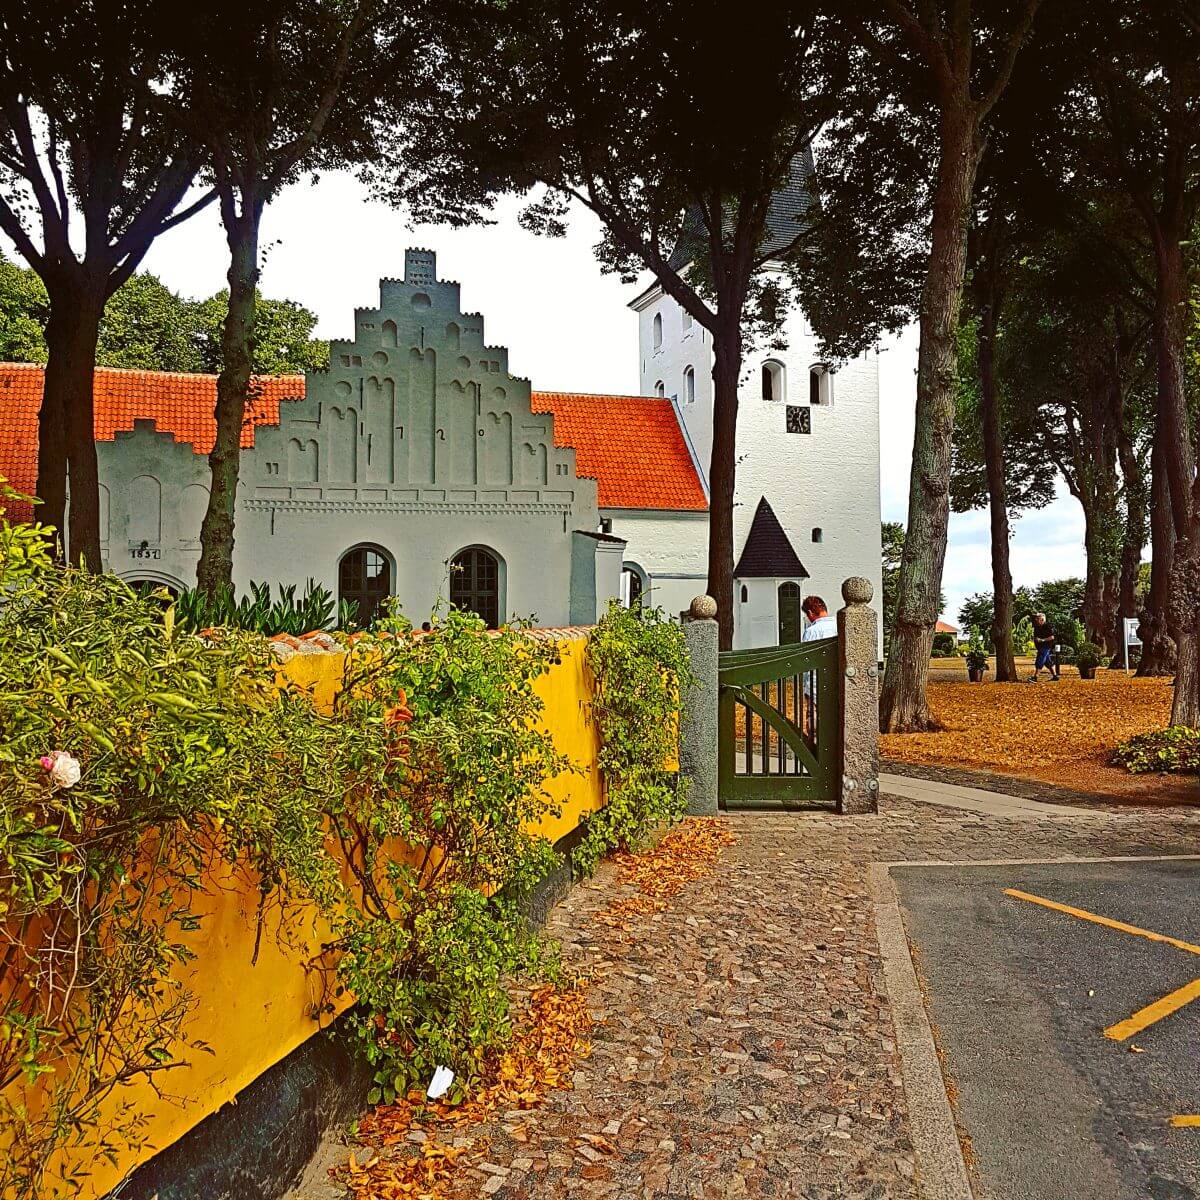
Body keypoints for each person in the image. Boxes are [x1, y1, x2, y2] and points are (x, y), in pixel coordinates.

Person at [1030, 612, 1059, 681]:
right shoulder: (1036, 627)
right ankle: (1055, 676)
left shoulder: (1047, 626)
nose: (1036, 620)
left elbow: (1052, 637)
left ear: (1042, 619)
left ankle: (1035, 677)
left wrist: (1042, 640)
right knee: (1048, 662)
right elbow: (1036, 637)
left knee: (1040, 660)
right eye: (1036, 619)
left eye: (1038, 619)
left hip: (1046, 646)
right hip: (1040, 647)